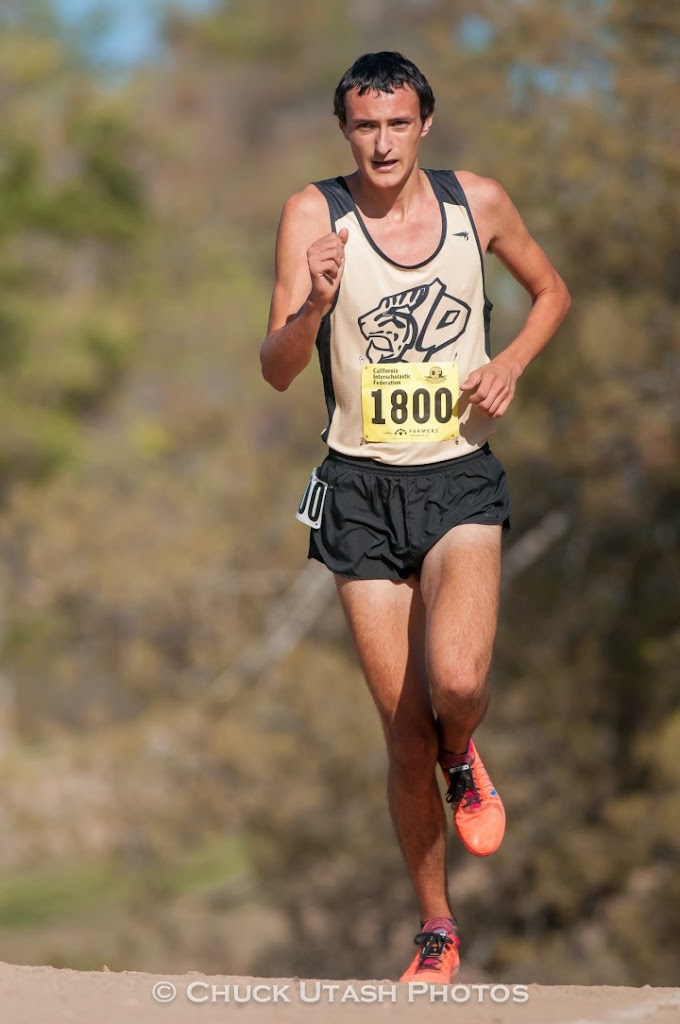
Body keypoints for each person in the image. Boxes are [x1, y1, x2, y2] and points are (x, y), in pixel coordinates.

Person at [260, 51, 570, 983]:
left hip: (458, 477)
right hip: (358, 491)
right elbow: (276, 368)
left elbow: (553, 293)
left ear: (424, 124)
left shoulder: (479, 202)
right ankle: (437, 928)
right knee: (400, 732)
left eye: (398, 124)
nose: (382, 142)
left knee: (458, 679)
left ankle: (463, 747)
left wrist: (510, 359)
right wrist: (315, 301)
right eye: (365, 126)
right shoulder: (313, 215)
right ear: (343, 130)